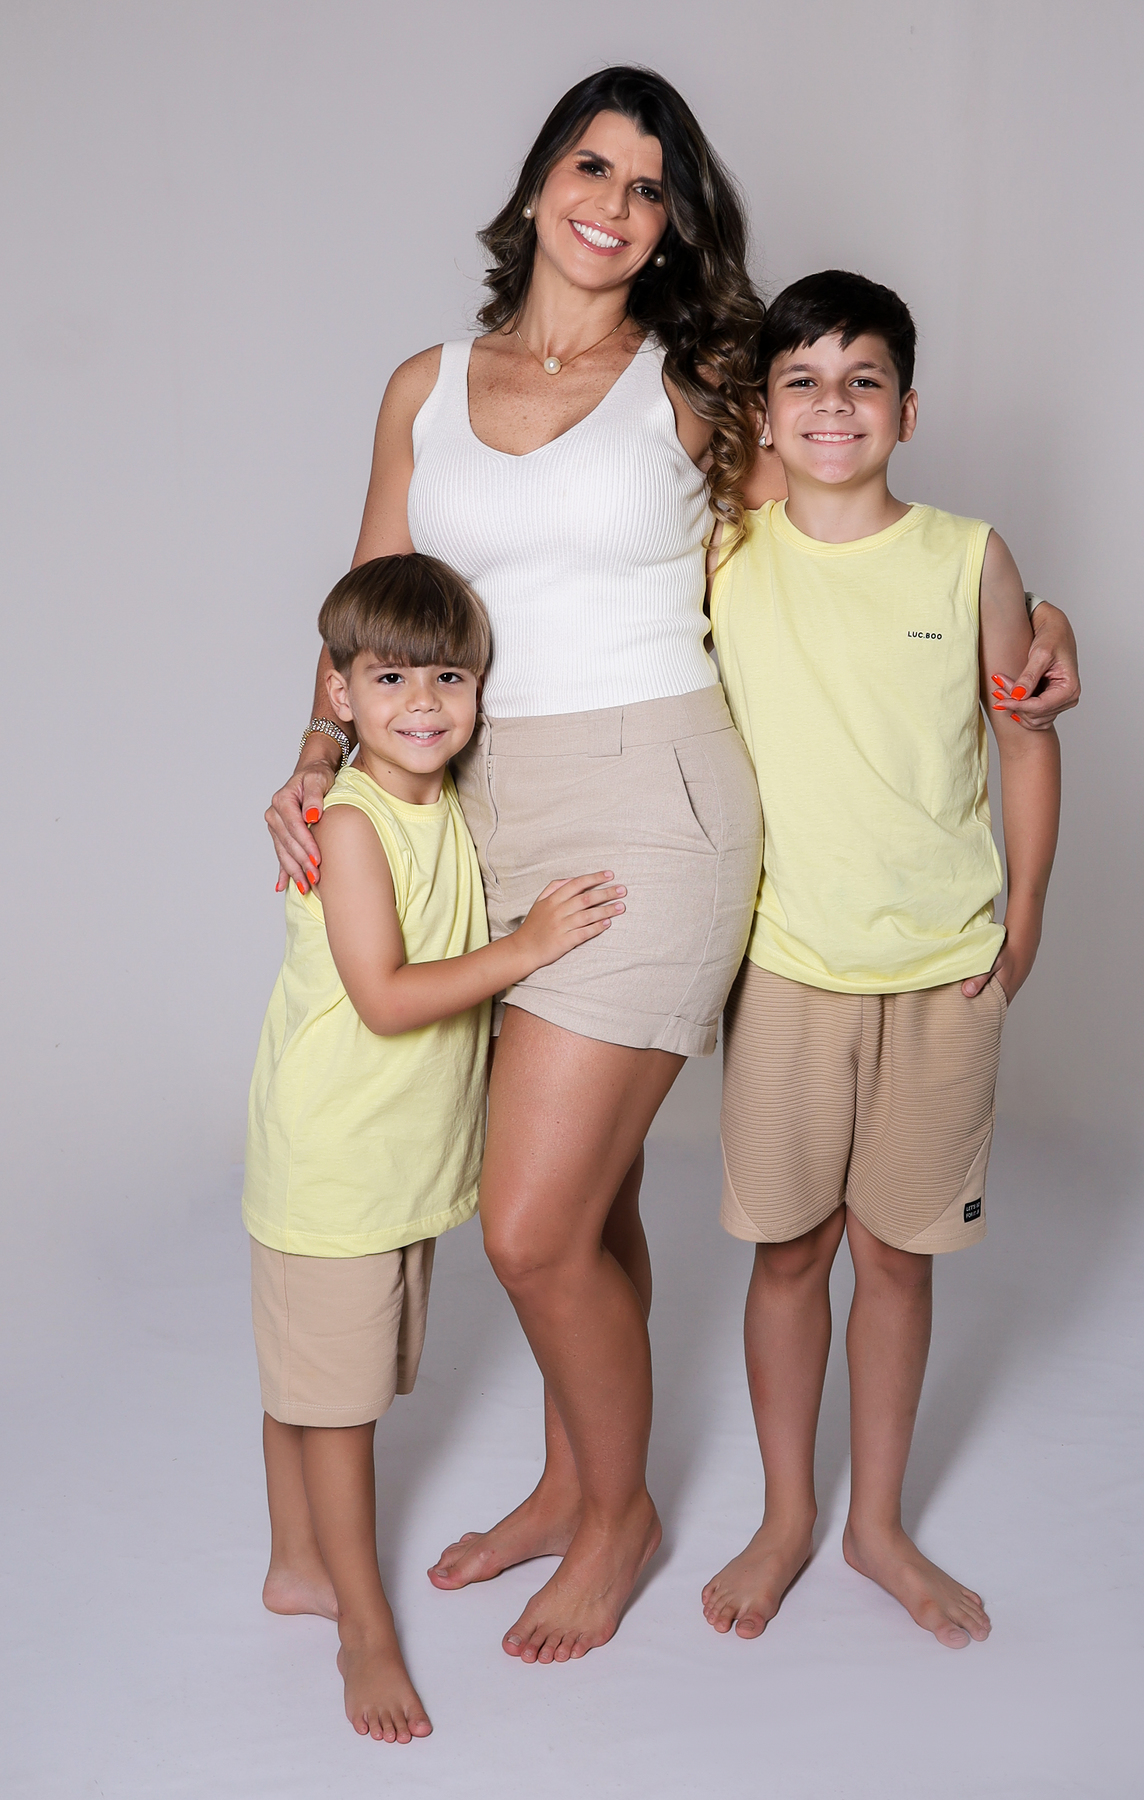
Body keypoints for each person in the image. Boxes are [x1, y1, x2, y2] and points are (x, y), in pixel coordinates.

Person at [264, 69, 1082, 1666]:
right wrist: (314, 754)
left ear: (670, 227)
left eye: (650, 188)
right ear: (539, 182)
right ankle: (572, 1480)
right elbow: (372, 596)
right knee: (599, 1197)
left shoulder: (695, 383)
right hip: (471, 812)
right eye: (594, 166)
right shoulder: (425, 385)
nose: (616, 205)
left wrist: (1039, 618)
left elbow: (856, 516)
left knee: (527, 1223)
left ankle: (620, 1513)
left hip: (655, 809)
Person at [702, 269, 1062, 1649]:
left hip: (941, 973)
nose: (833, 406)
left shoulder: (971, 557)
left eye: (864, 381)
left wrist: (1025, 921)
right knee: (789, 1253)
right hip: (787, 967)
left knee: (896, 1260)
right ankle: (788, 1514)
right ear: (763, 411)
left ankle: (879, 1524)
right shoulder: (727, 546)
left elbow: (1026, 735)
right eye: (801, 381)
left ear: (907, 410)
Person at [244, 552, 626, 1740]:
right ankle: (361, 1626)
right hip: (335, 1161)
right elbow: (387, 996)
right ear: (339, 693)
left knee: (318, 1381)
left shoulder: (440, 801)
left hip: (393, 1167)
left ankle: (296, 1563)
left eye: (448, 678)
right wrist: (530, 948)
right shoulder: (353, 825)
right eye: (391, 677)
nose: (423, 702)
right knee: (341, 1408)